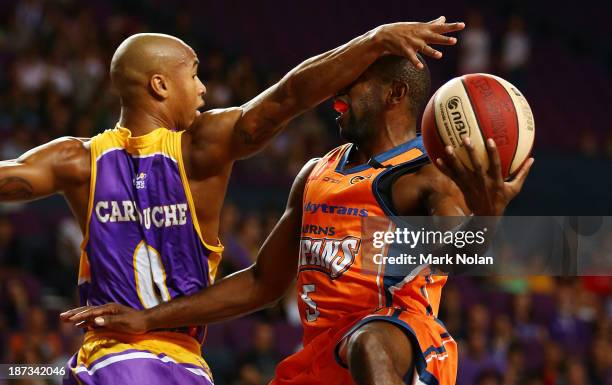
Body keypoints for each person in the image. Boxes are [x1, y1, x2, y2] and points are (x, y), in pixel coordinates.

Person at [1, 19, 464, 385]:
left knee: (373, 342)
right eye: (195, 74)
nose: (204, 89)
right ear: (161, 86)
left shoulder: (74, 160)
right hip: (180, 364)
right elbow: (289, 97)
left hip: (109, 360)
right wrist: (374, 40)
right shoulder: (208, 149)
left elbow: (470, 249)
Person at [62, 49, 533, 384]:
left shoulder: (426, 174)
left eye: (353, 85)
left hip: (398, 339)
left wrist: (489, 213)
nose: (338, 95)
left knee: (368, 341)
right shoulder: (316, 172)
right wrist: (149, 319)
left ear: (394, 94)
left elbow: (461, 256)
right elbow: (261, 282)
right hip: (321, 354)